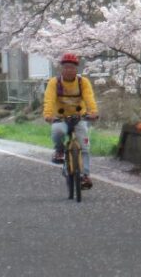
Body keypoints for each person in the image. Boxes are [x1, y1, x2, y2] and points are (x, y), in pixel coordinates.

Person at [43, 52, 99, 189]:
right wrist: (48, 115)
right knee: (58, 131)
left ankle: (85, 175)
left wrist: (93, 112)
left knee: (84, 147)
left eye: (72, 67)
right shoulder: (54, 83)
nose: (69, 70)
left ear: (76, 69)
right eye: (66, 67)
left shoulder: (82, 82)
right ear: (61, 69)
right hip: (60, 118)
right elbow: (49, 100)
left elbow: (89, 98)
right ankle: (59, 150)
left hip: (79, 117)